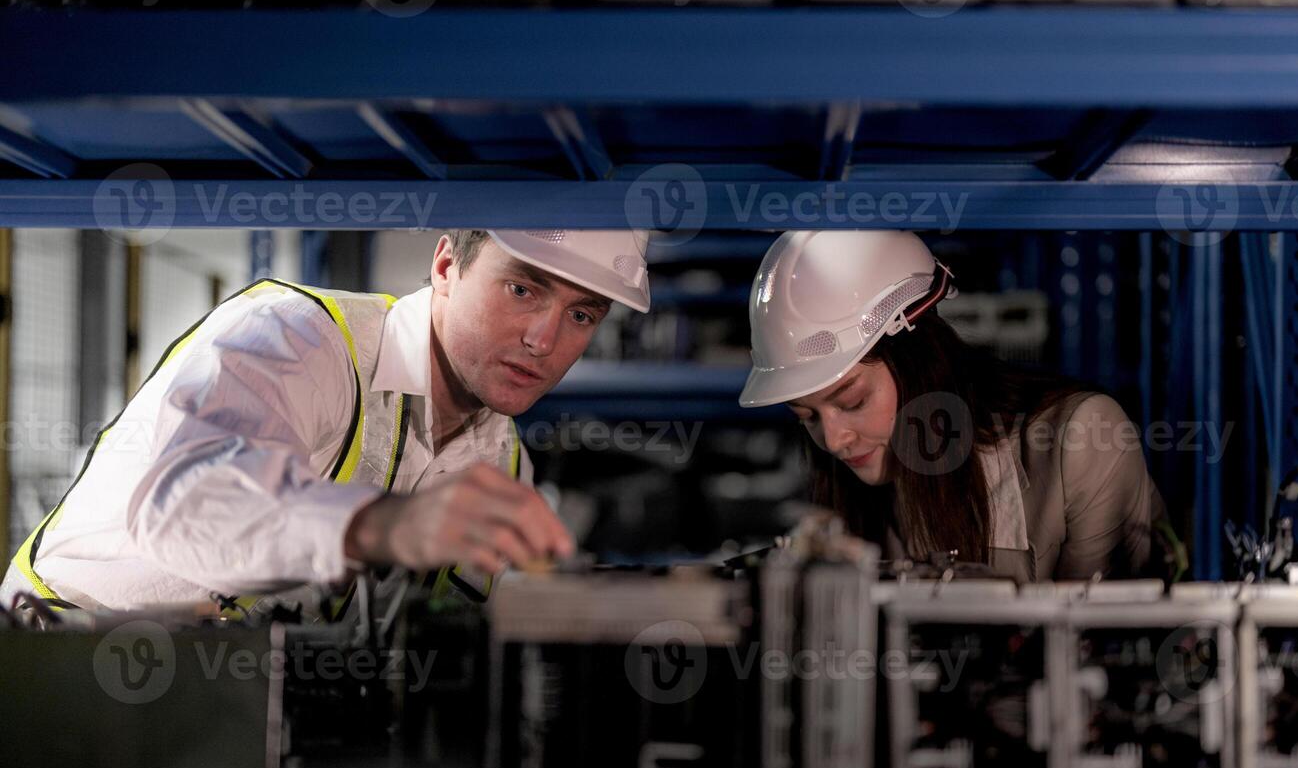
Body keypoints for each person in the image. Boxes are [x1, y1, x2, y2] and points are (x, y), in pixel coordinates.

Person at [3, 229, 651, 612]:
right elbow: (183, 504)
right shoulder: (296, 337)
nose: (544, 339)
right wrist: (384, 525)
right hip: (57, 661)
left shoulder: (502, 463)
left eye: (581, 315)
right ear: (447, 266)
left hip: (234, 710)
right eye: (523, 289)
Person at [739, 230, 1175, 582]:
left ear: (920, 361)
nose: (833, 440)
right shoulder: (857, 479)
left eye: (853, 401)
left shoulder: (1079, 441)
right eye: (806, 416)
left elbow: (1105, 653)